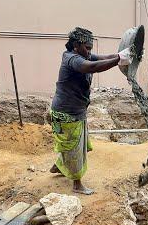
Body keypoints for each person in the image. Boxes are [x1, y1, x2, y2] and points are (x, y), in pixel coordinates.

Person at [49, 27, 132, 195]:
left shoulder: (83, 55)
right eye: (87, 48)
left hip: (76, 111)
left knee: (77, 145)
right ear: (75, 45)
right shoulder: (72, 59)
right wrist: (119, 59)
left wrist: (122, 55)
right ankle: (77, 184)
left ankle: (58, 166)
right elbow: (90, 67)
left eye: (90, 48)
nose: (89, 52)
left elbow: (102, 58)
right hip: (67, 114)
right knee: (74, 148)